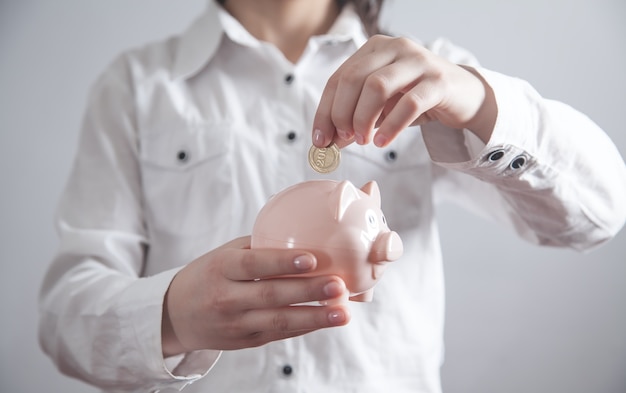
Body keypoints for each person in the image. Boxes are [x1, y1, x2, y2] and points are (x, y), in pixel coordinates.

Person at [38, 0, 626, 392]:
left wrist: (475, 99)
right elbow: (65, 312)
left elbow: (598, 215)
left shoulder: (426, 72)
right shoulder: (138, 87)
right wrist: (171, 315)